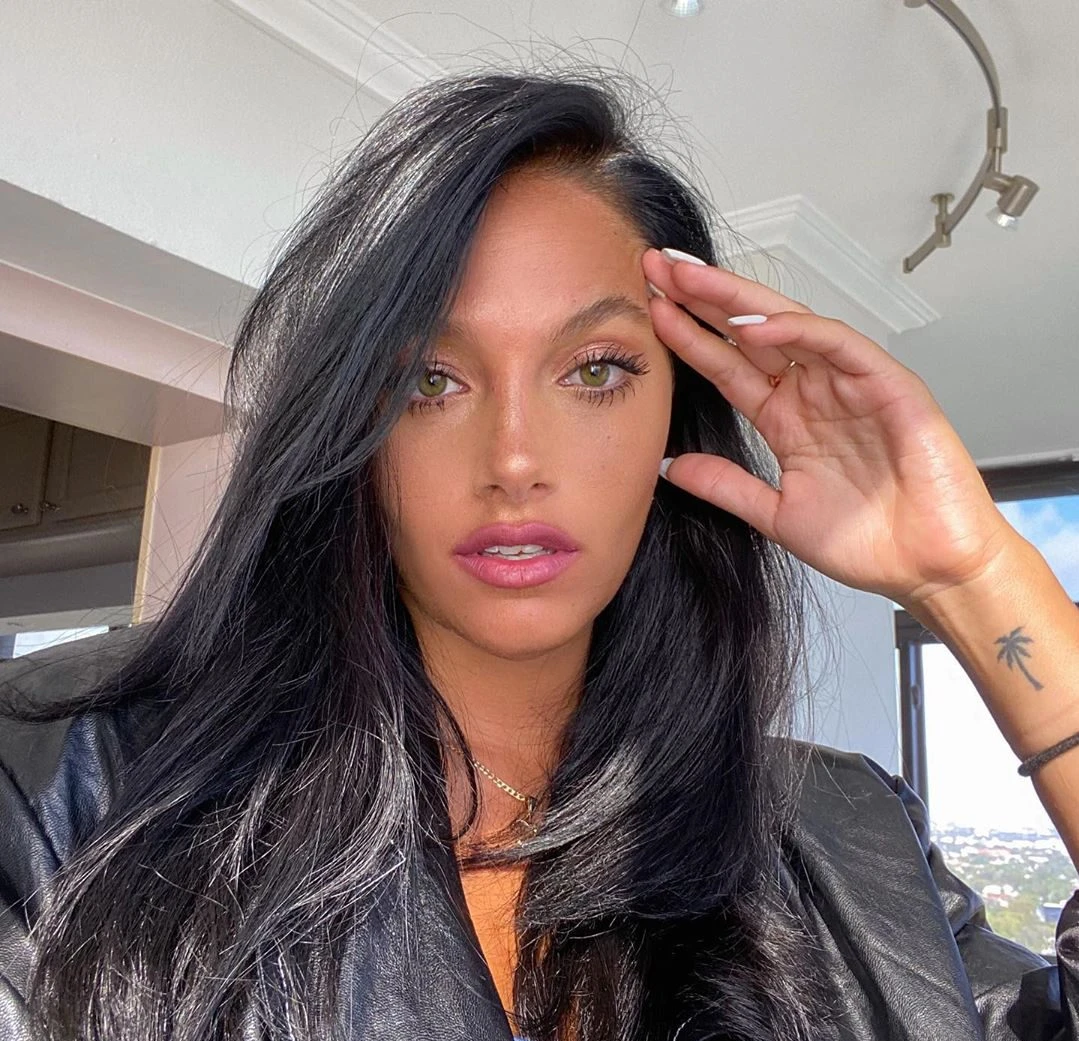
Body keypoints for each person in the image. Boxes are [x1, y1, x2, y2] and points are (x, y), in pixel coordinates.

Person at [1, 65, 1078, 1041]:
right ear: (351, 431)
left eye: (595, 370)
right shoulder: (69, 786)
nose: (514, 459)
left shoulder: (850, 843)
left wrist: (975, 577)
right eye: (429, 380)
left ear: (675, 415)